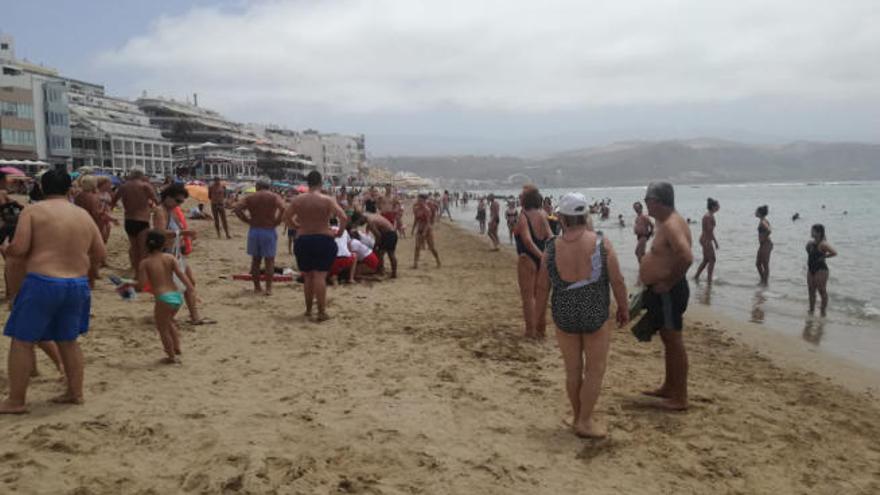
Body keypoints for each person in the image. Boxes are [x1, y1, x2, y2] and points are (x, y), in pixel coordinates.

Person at [0, 170, 106, 413]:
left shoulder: (33, 211)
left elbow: (20, 247)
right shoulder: (82, 215)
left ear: (42, 188)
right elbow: (100, 253)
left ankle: (16, 400)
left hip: (43, 281)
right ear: (70, 188)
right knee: (68, 340)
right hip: (77, 284)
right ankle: (75, 392)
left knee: (23, 340)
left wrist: (8, 248)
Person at [535, 193, 628, 438]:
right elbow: (617, 280)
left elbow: (542, 286)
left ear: (563, 219)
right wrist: (623, 307)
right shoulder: (601, 243)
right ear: (585, 216)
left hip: (564, 313)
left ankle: (577, 416)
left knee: (573, 370)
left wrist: (538, 319)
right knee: (595, 370)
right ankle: (585, 421)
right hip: (595, 312)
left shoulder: (551, 248)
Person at [639, 182, 693, 411]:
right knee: (668, 341)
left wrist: (668, 281)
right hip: (663, 292)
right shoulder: (664, 222)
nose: (644, 203)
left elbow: (687, 257)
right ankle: (669, 387)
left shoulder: (671, 224)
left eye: (647, 200)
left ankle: (680, 397)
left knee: (674, 341)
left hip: (670, 292)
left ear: (658, 201)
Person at [283, 171, 347, 321]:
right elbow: (343, 217)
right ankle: (321, 312)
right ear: (320, 182)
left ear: (307, 183)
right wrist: (339, 233)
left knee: (308, 276)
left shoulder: (298, 200)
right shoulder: (327, 199)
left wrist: (297, 226)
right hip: (323, 237)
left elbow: (285, 217)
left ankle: (308, 310)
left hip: (303, 238)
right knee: (320, 276)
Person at [152, 183, 213, 326]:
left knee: (189, 283)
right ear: (167, 197)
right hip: (165, 254)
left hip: (176, 253)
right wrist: (183, 233)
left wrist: (185, 238)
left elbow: (176, 230)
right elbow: (159, 232)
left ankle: (194, 316)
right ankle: (167, 317)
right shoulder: (160, 211)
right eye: (177, 201)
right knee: (176, 287)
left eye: (181, 201)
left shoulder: (172, 210)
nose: (179, 204)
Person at [134, 230, 194, 363]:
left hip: (163, 298)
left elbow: (142, 285)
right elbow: (181, 275)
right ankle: (177, 347)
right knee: (169, 321)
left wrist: (129, 286)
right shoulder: (170, 258)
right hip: (177, 296)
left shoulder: (145, 263)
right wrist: (190, 289)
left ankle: (171, 355)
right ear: (163, 245)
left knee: (162, 327)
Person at [234, 180, 285, 296]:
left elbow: (237, 208)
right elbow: (283, 208)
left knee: (256, 260)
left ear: (258, 186)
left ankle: (257, 287)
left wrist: (247, 220)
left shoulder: (251, 197)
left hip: (255, 229)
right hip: (268, 229)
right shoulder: (274, 197)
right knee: (269, 260)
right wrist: (277, 221)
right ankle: (268, 288)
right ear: (268, 187)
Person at [513, 185, 552, 338]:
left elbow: (527, 241)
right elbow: (550, 236)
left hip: (527, 257)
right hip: (542, 257)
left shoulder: (523, 216)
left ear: (526, 200)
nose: (519, 196)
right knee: (540, 296)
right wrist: (546, 256)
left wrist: (540, 257)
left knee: (528, 297)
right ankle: (541, 329)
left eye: (521, 195)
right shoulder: (543, 214)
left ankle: (530, 330)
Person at [112, 168, 159, 273]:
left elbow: (113, 200)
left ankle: (135, 269)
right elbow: (156, 200)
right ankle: (142, 273)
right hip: (142, 220)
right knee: (143, 249)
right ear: (141, 175)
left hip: (128, 220)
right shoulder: (145, 186)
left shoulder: (124, 186)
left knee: (134, 248)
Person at [353, 211, 398, 278]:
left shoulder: (370, 221)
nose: (360, 224)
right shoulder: (370, 215)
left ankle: (389, 272)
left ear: (361, 218)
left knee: (385, 254)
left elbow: (378, 236)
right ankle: (385, 271)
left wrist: (375, 246)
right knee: (384, 254)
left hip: (389, 234)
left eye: (359, 222)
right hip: (390, 233)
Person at [806, 224, 836, 316]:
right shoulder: (810, 243)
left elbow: (834, 253)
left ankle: (823, 312)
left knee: (822, 291)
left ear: (818, 233)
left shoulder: (823, 244)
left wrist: (824, 256)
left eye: (813, 231)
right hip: (811, 269)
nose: (811, 232)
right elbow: (809, 252)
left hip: (821, 270)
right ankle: (811, 310)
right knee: (811, 290)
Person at [693, 198, 720, 283]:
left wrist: (715, 242)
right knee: (712, 259)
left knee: (706, 260)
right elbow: (709, 229)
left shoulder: (711, 215)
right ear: (713, 207)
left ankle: (696, 276)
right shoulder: (708, 216)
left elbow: (711, 231)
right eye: (717, 206)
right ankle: (709, 279)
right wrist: (713, 224)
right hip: (705, 240)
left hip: (707, 239)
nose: (719, 207)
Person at [412, 193, 441, 269]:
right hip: (419, 229)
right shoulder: (416, 209)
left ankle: (437, 260)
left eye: (420, 200)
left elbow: (428, 223)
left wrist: (425, 232)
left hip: (428, 230)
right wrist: (413, 229)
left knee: (431, 247)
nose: (418, 201)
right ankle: (415, 263)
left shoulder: (427, 210)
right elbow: (416, 220)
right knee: (417, 247)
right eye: (418, 200)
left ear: (424, 201)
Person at [755, 205, 772, 286]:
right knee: (758, 263)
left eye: (756, 211)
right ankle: (763, 280)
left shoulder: (763, 221)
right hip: (763, 244)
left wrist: (764, 238)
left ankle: (765, 282)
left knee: (765, 264)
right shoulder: (762, 220)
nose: (755, 212)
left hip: (766, 244)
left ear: (760, 213)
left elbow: (769, 230)